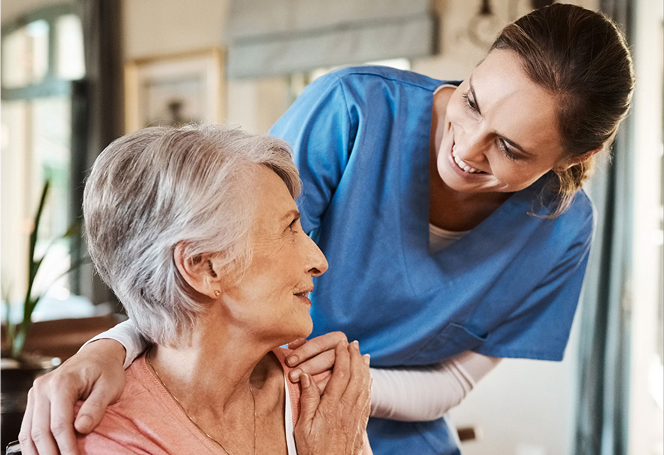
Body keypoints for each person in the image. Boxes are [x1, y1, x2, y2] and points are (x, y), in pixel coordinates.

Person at [19, 4, 634, 455]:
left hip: (388, 431)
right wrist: (109, 346)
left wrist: (333, 409)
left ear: (567, 164)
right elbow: (215, 257)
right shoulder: (354, 112)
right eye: (471, 101)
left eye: (509, 147)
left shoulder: (561, 232)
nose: (465, 149)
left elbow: (450, 384)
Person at [21, 124, 373, 454]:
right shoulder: (105, 434)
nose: (319, 260)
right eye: (289, 229)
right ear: (205, 267)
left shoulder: (323, 401)